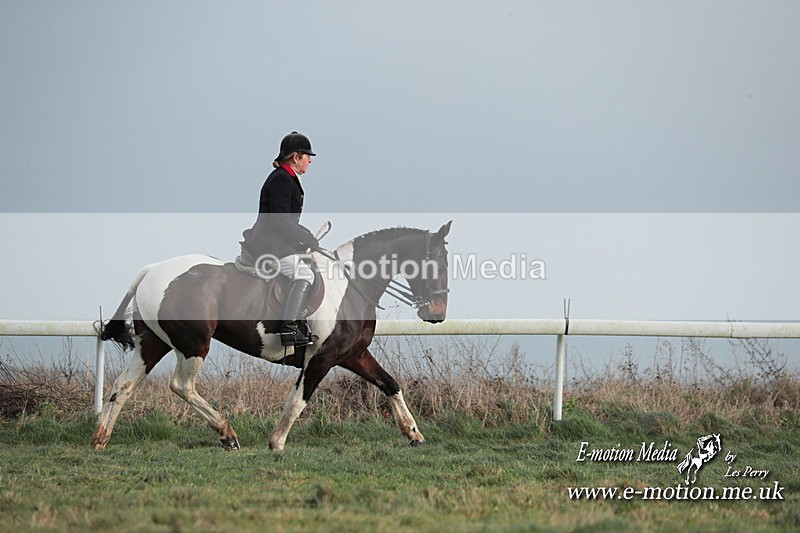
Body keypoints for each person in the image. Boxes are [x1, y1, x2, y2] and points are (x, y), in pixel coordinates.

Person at [240, 131, 320, 347]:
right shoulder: (282, 180)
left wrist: (306, 238)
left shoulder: (287, 178)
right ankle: (289, 329)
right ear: (296, 157)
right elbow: (280, 222)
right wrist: (306, 237)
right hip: (269, 247)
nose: (310, 160)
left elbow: (287, 223)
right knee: (305, 274)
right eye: (307, 156)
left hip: (278, 243)